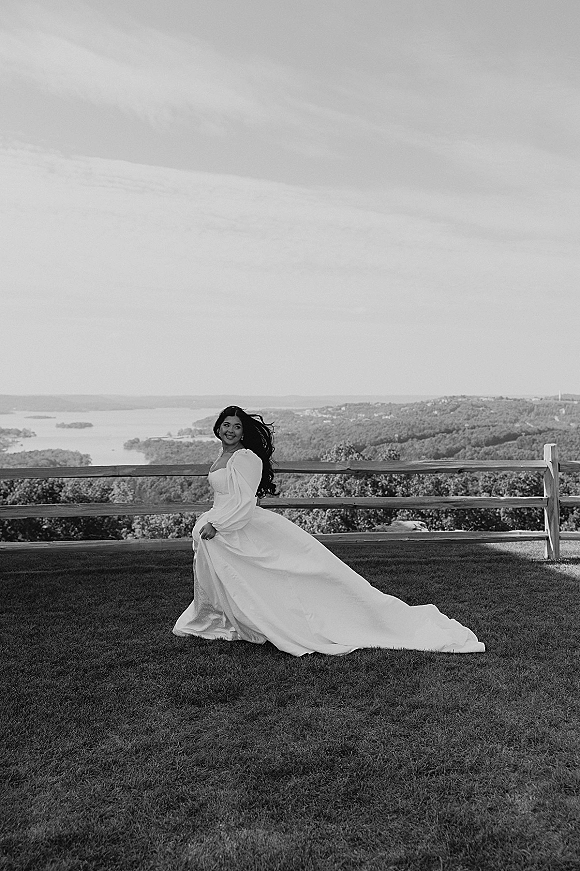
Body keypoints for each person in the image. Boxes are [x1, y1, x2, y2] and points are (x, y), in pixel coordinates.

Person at [173, 406, 485, 656]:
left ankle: (300, 620)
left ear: (244, 432)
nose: (230, 430)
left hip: (236, 526)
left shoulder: (245, 457)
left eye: (237, 426)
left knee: (286, 573)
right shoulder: (223, 455)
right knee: (242, 579)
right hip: (222, 527)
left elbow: (244, 500)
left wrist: (218, 525)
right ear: (218, 427)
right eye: (226, 424)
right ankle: (236, 621)